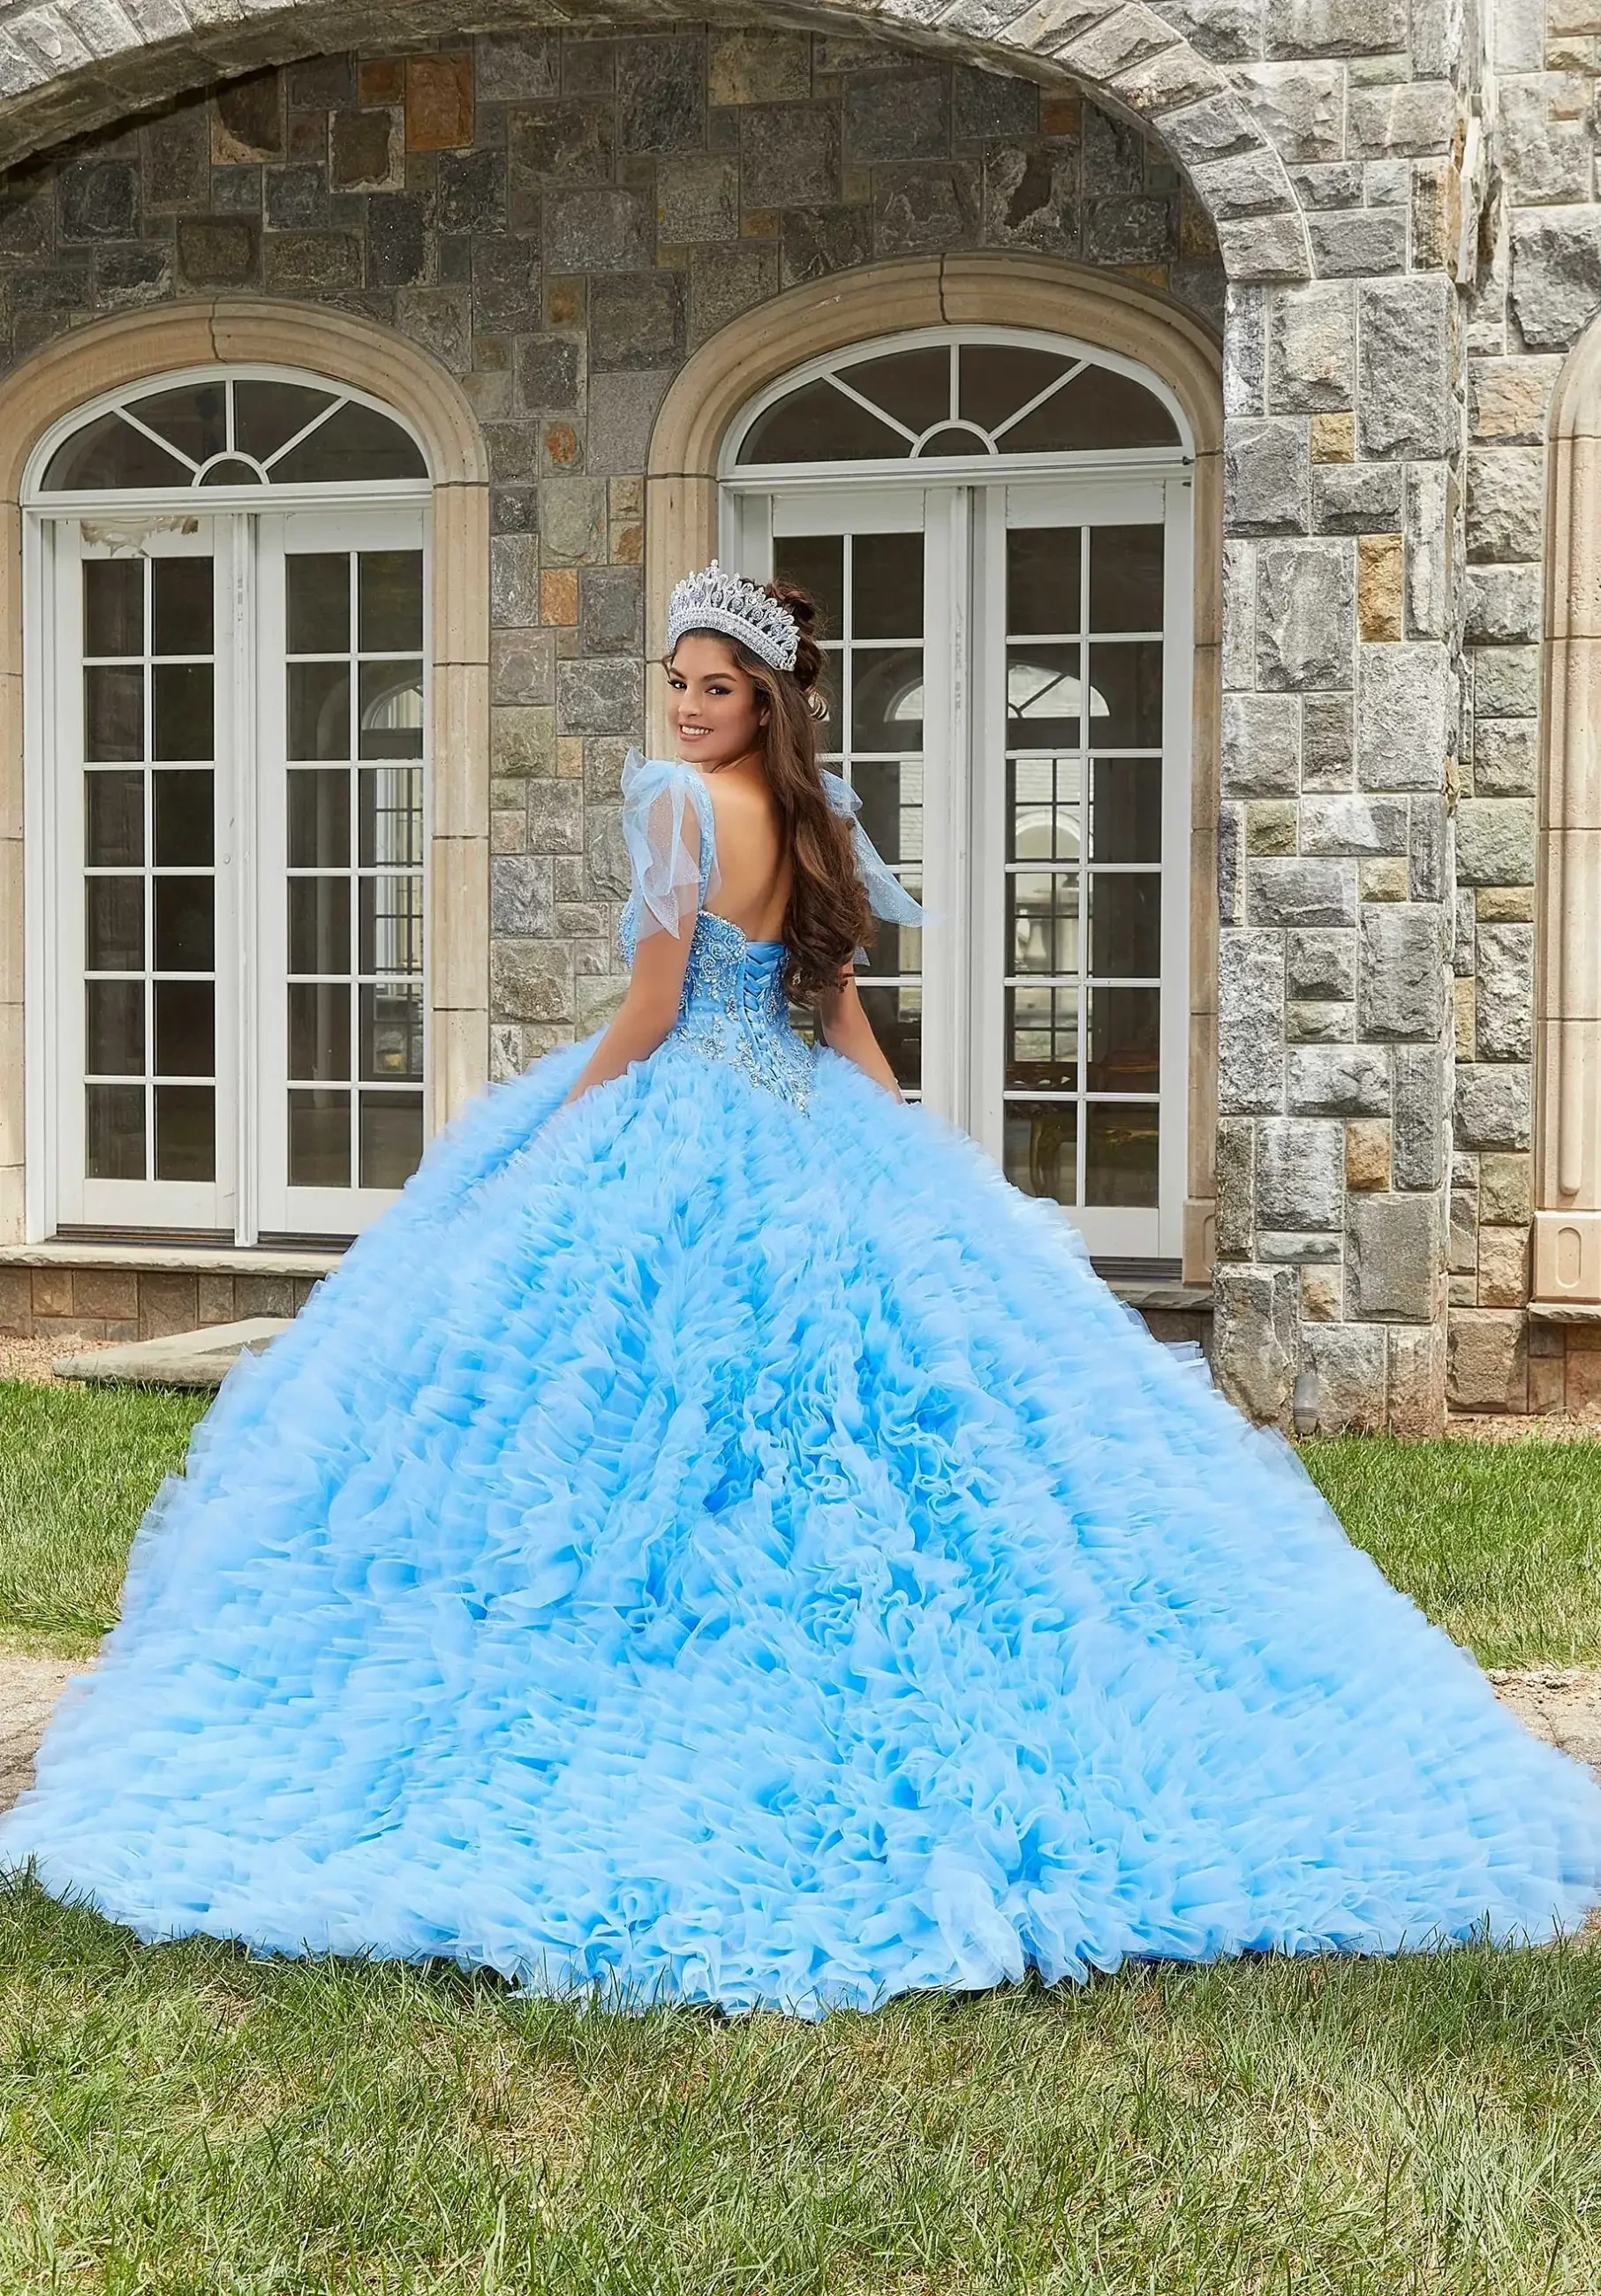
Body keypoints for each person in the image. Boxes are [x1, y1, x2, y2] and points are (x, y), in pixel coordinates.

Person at [4, 563, 1599, 2019]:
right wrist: (897, 1133)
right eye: (678, 685)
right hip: (797, 1121)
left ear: (764, 698)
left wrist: (554, 1130)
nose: (685, 709)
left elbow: (647, 1004)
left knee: (620, 1413)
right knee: (834, 1420)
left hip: (687, 1112)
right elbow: (831, 1005)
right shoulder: (820, 812)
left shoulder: (681, 808)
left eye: (714, 688)